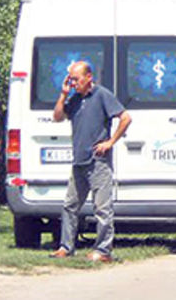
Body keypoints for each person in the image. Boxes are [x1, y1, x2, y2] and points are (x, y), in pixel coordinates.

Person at [49, 60, 131, 262]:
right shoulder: (75, 99)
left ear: (88, 77)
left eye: (76, 79)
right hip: (79, 161)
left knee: (102, 208)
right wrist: (63, 94)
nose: (74, 83)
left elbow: (126, 117)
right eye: (71, 79)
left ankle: (103, 250)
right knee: (70, 206)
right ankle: (66, 247)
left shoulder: (102, 95)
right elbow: (58, 117)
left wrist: (110, 142)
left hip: (98, 162)